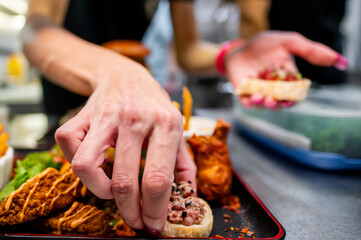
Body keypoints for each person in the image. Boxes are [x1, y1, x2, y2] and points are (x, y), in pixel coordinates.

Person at [21, 0, 347, 235]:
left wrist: (230, 52)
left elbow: (188, 48)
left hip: (135, 99)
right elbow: (34, 30)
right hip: (70, 100)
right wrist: (118, 72)